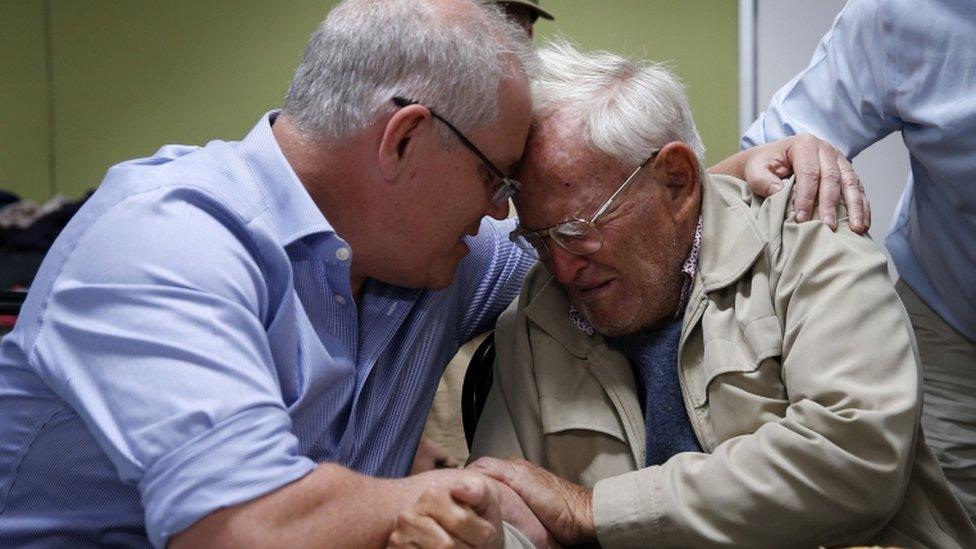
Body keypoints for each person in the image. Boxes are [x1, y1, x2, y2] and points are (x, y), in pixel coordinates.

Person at [0, 1, 859, 546]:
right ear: (405, 141)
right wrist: (474, 489)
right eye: (497, 178)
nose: (500, 214)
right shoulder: (163, 245)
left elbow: (596, 232)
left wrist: (713, 182)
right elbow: (248, 529)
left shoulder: (429, 249)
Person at [394, 42, 976, 547]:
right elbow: (510, 507)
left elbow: (857, 457)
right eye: (540, 240)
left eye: (576, 232)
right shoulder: (535, 314)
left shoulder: (808, 239)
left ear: (676, 182)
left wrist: (591, 510)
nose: (563, 269)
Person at [741, 0, 976, 520]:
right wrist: (789, 153)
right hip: (953, 319)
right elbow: (766, 161)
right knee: (942, 520)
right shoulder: (903, 14)